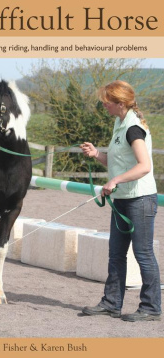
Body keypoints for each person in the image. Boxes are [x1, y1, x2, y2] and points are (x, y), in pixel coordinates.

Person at [80, 80, 161, 322]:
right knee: (116, 254)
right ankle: (111, 303)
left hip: (140, 199)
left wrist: (114, 181)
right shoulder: (119, 123)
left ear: (120, 103)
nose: (103, 104)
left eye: (107, 101)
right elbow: (119, 163)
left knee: (143, 254)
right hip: (122, 199)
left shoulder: (133, 129)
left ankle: (151, 307)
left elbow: (144, 166)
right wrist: (96, 154)